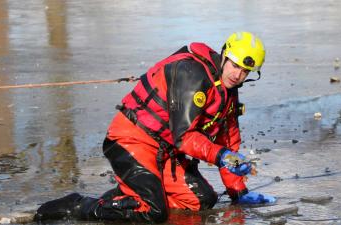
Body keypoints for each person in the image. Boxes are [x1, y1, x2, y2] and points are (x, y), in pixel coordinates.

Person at [34, 31, 276, 223]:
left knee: (202, 200)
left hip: (165, 152)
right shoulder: (193, 76)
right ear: (225, 55)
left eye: (246, 71)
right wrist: (222, 155)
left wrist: (238, 192)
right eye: (235, 65)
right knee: (153, 211)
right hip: (131, 140)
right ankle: (79, 206)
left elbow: (229, 143)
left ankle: (134, 192)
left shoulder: (228, 94)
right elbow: (184, 138)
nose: (238, 74)